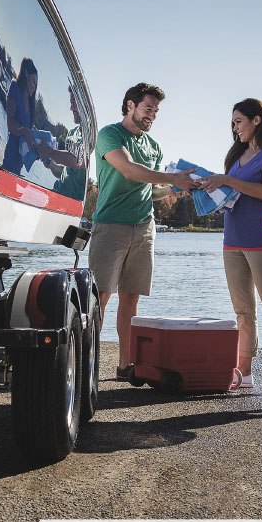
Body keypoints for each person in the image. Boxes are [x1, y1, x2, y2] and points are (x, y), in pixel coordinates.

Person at [88, 82, 196, 380]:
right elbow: (130, 171)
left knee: (131, 298)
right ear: (130, 106)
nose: (153, 115)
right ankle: (86, 364)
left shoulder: (154, 146)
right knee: (100, 296)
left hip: (144, 227)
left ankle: (125, 366)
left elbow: (149, 188)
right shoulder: (110, 135)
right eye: (148, 109)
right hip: (110, 226)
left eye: (156, 111)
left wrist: (175, 188)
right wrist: (171, 176)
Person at [199, 98, 262, 394]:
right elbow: (232, 194)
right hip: (232, 241)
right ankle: (244, 372)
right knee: (242, 311)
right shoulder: (237, 154)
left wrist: (228, 179)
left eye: (239, 121)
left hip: (261, 240)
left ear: (257, 120)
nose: (235, 127)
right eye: (233, 122)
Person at [38, 86, 87, 200]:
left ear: (84, 104)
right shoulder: (71, 133)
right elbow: (65, 172)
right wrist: (51, 164)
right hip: (56, 193)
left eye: (74, 102)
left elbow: (78, 161)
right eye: (71, 102)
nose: (71, 108)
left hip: (71, 202)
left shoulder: (90, 136)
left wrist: (49, 151)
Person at [2, 57, 38, 174]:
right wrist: (25, 131)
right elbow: (10, 122)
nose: (34, 86)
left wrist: (37, 144)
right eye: (33, 81)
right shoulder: (15, 88)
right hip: (10, 156)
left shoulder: (32, 104)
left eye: (36, 84)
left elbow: (30, 131)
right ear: (26, 73)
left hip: (21, 161)